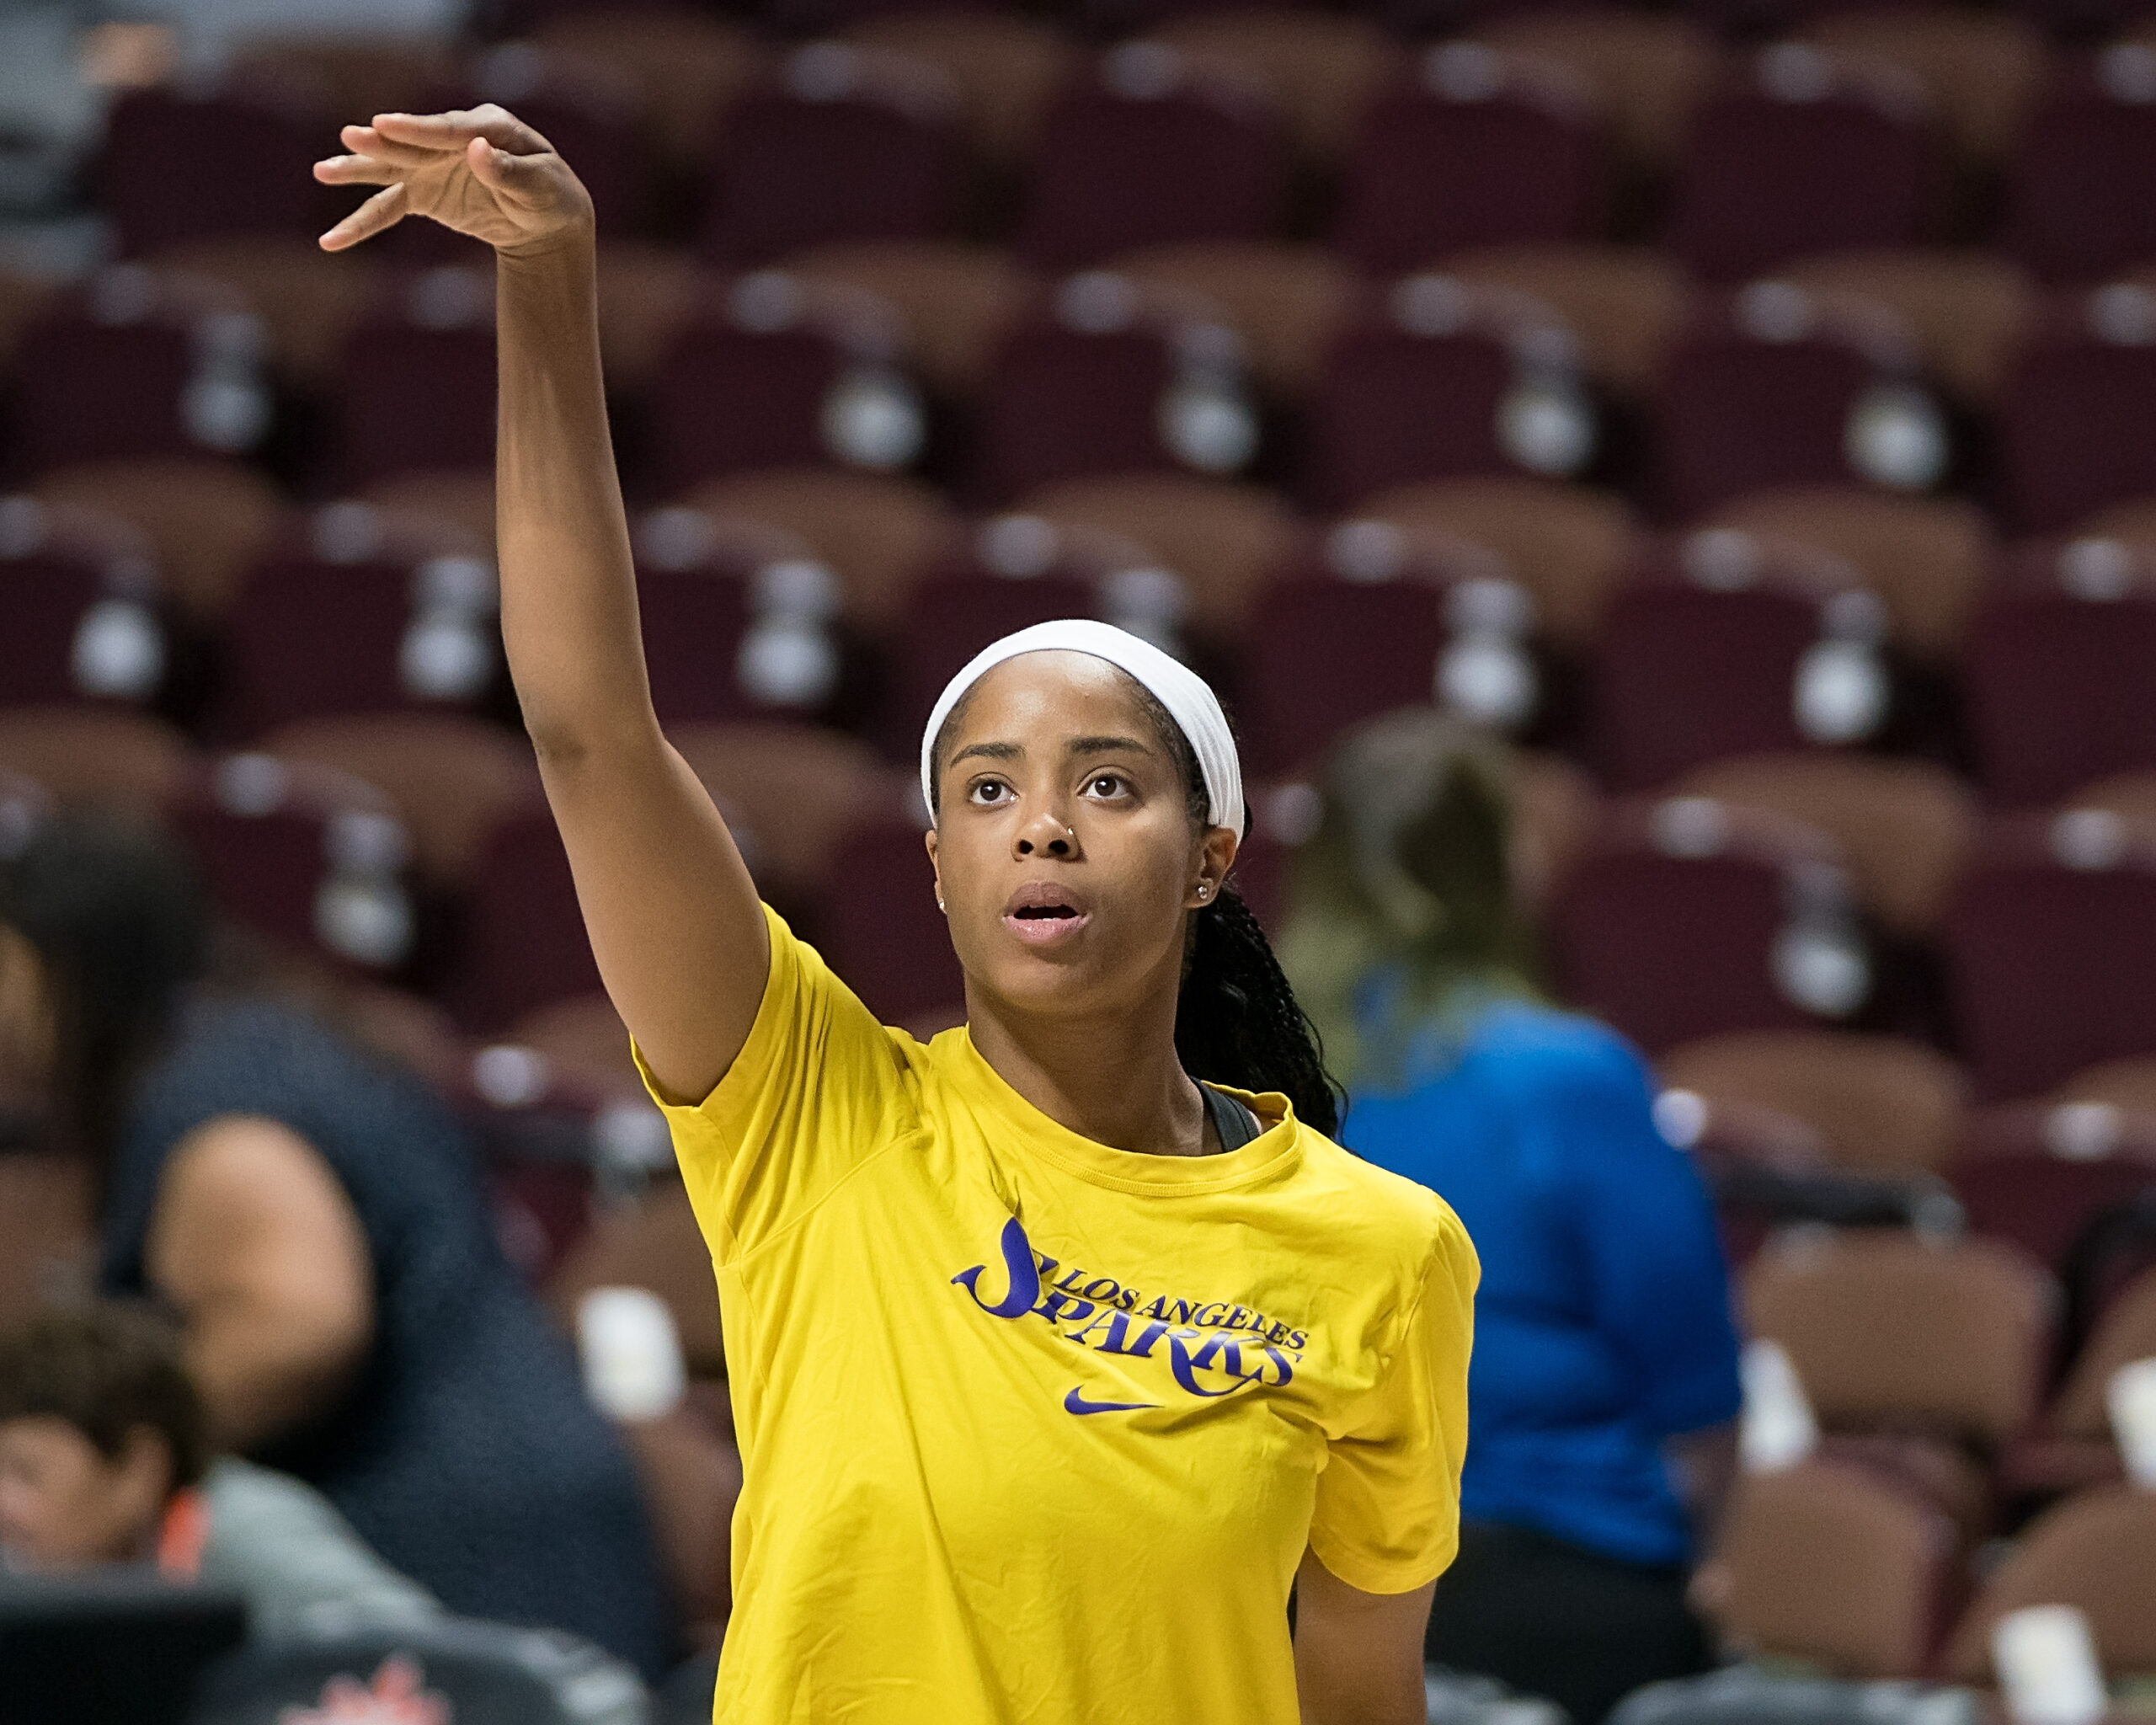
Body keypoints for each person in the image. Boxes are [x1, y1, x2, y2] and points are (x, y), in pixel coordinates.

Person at [311, 106, 1477, 1724]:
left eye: (1108, 787)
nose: (1044, 823)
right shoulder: (810, 1112)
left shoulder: (1382, 1251)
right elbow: (586, 728)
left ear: (1214, 853)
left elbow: (1359, 1681)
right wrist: (549, 278)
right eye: (988, 790)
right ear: (937, 863)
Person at [0, 816, 670, 1674]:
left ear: (72, 972)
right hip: (514, 1502)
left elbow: (297, 1329)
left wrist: (114, 1461)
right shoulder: (250, 1043)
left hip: (455, 1544)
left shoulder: (221, 1117)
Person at [1278, 709, 1744, 1725]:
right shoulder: (1567, 1077)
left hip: (1297, 1585)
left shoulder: (1233, 1079)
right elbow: (1699, 1399)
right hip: (1554, 1587)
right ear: (1501, 869)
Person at [0, 1300, 438, 1640]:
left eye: (26, 1473)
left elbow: (422, 1659)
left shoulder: (241, 1531)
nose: (5, 1505)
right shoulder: (23, 1572)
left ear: (138, 1470)